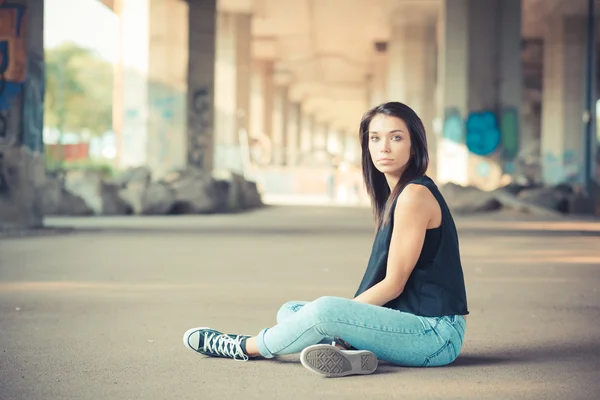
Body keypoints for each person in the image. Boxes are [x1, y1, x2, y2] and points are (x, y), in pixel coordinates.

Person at [182, 102, 469, 378]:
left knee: (323, 312)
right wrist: (343, 320)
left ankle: (246, 347)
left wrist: (342, 319)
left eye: (396, 137)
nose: (383, 147)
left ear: (414, 145)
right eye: (375, 138)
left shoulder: (414, 195)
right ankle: (349, 355)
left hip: (435, 334)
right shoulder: (397, 195)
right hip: (409, 321)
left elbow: (394, 284)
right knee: (293, 311)